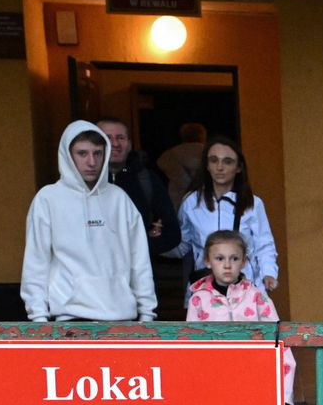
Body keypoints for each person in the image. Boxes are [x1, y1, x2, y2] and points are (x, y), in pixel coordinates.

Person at [20, 120, 155, 323]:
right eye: (82, 153)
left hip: (123, 317)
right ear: (67, 155)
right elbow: (36, 262)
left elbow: (139, 260)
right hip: (70, 318)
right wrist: (39, 318)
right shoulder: (48, 199)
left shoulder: (120, 199)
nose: (91, 162)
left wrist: (147, 313)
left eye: (98, 153)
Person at [186, 229, 295, 405]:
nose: (227, 265)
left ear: (244, 262)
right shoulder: (198, 300)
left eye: (234, 258)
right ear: (207, 260)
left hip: (254, 379)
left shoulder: (257, 297)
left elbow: (279, 342)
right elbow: (190, 347)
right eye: (219, 258)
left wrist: (283, 394)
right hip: (214, 383)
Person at [97, 117, 182, 320]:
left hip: (138, 285)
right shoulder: (81, 184)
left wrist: (139, 247)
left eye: (121, 137)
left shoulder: (147, 180)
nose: (115, 143)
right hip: (91, 287)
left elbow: (172, 233)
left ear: (129, 144)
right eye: (107, 138)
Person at [172, 136, 279, 295]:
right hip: (206, 291)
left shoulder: (253, 203)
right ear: (207, 165)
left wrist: (269, 273)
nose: (220, 167)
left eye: (227, 161)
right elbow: (182, 243)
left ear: (239, 167)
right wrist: (156, 241)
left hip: (246, 290)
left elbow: (264, 244)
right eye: (214, 160)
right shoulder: (191, 202)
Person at [156, 121, 207, 204]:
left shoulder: (171, 154)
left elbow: (161, 163)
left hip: (179, 198)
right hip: (204, 197)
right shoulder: (211, 153)